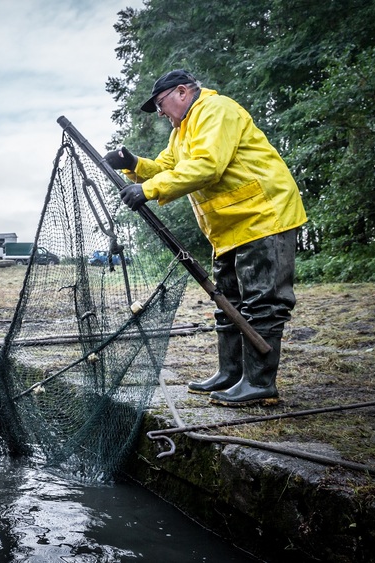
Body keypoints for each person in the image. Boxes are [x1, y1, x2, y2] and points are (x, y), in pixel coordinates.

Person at [106, 69, 307, 408]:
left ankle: (259, 384)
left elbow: (207, 166)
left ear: (182, 92)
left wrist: (148, 190)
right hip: (229, 229)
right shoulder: (180, 133)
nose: (160, 112)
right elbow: (165, 168)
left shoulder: (217, 111)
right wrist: (134, 164)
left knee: (263, 303)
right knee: (226, 303)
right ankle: (231, 373)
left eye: (160, 103)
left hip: (264, 217)